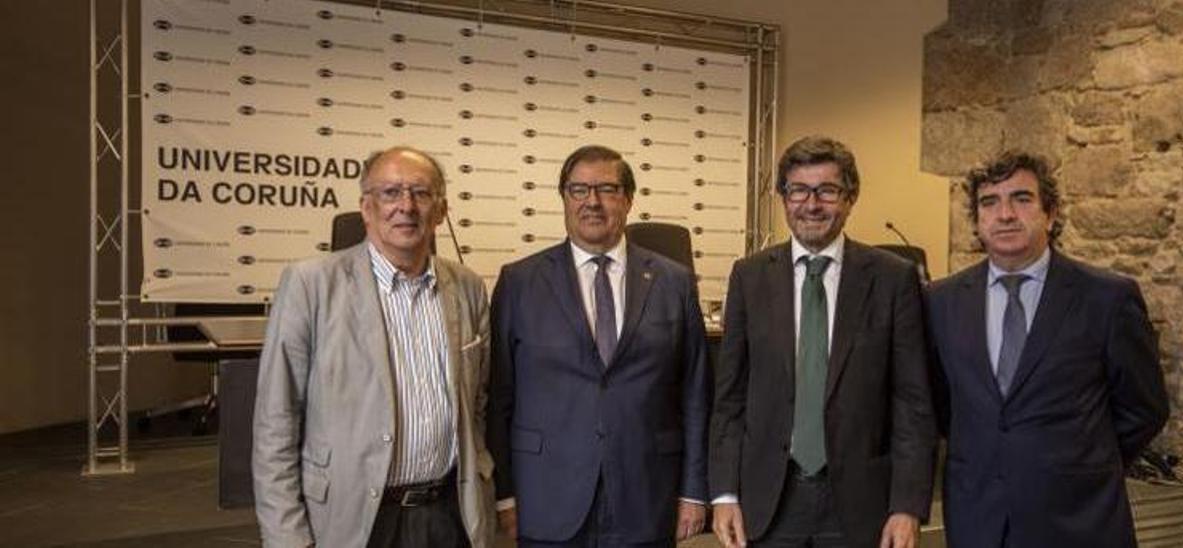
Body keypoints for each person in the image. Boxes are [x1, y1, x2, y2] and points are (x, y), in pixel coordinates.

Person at [253, 147, 495, 548]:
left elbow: (479, 402)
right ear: (366, 208)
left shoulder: (468, 287)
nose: (406, 206)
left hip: (450, 515)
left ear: (441, 210)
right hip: (353, 520)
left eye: (421, 192)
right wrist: (287, 537)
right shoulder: (310, 285)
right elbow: (275, 422)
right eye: (390, 193)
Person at [927, 151, 1170, 548]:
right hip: (978, 520)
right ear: (977, 220)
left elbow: (1145, 407)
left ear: (1050, 213)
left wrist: (1080, 463)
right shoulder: (941, 301)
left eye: (1021, 199)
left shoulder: (1106, 298)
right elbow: (943, 405)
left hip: (1078, 521)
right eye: (990, 202)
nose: (1005, 214)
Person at [710, 136, 936, 548]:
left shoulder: (892, 279)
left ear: (850, 199)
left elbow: (912, 403)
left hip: (862, 503)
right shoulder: (749, 276)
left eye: (827, 191)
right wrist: (724, 493)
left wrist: (907, 505)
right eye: (798, 190)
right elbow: (730, 399)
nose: (811, 204)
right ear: (783, 198)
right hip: (769, 500)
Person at [487, 144, 710, 547]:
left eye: (606, 189)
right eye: (578, 190)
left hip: (646, 493)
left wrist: (693, 491)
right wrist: (503, 495)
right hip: (547, 495)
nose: (592, 202)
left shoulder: (673, 283)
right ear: (564, 198)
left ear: (627, 200)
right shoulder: (519, 282)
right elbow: (499, 399)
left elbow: (695, 394)